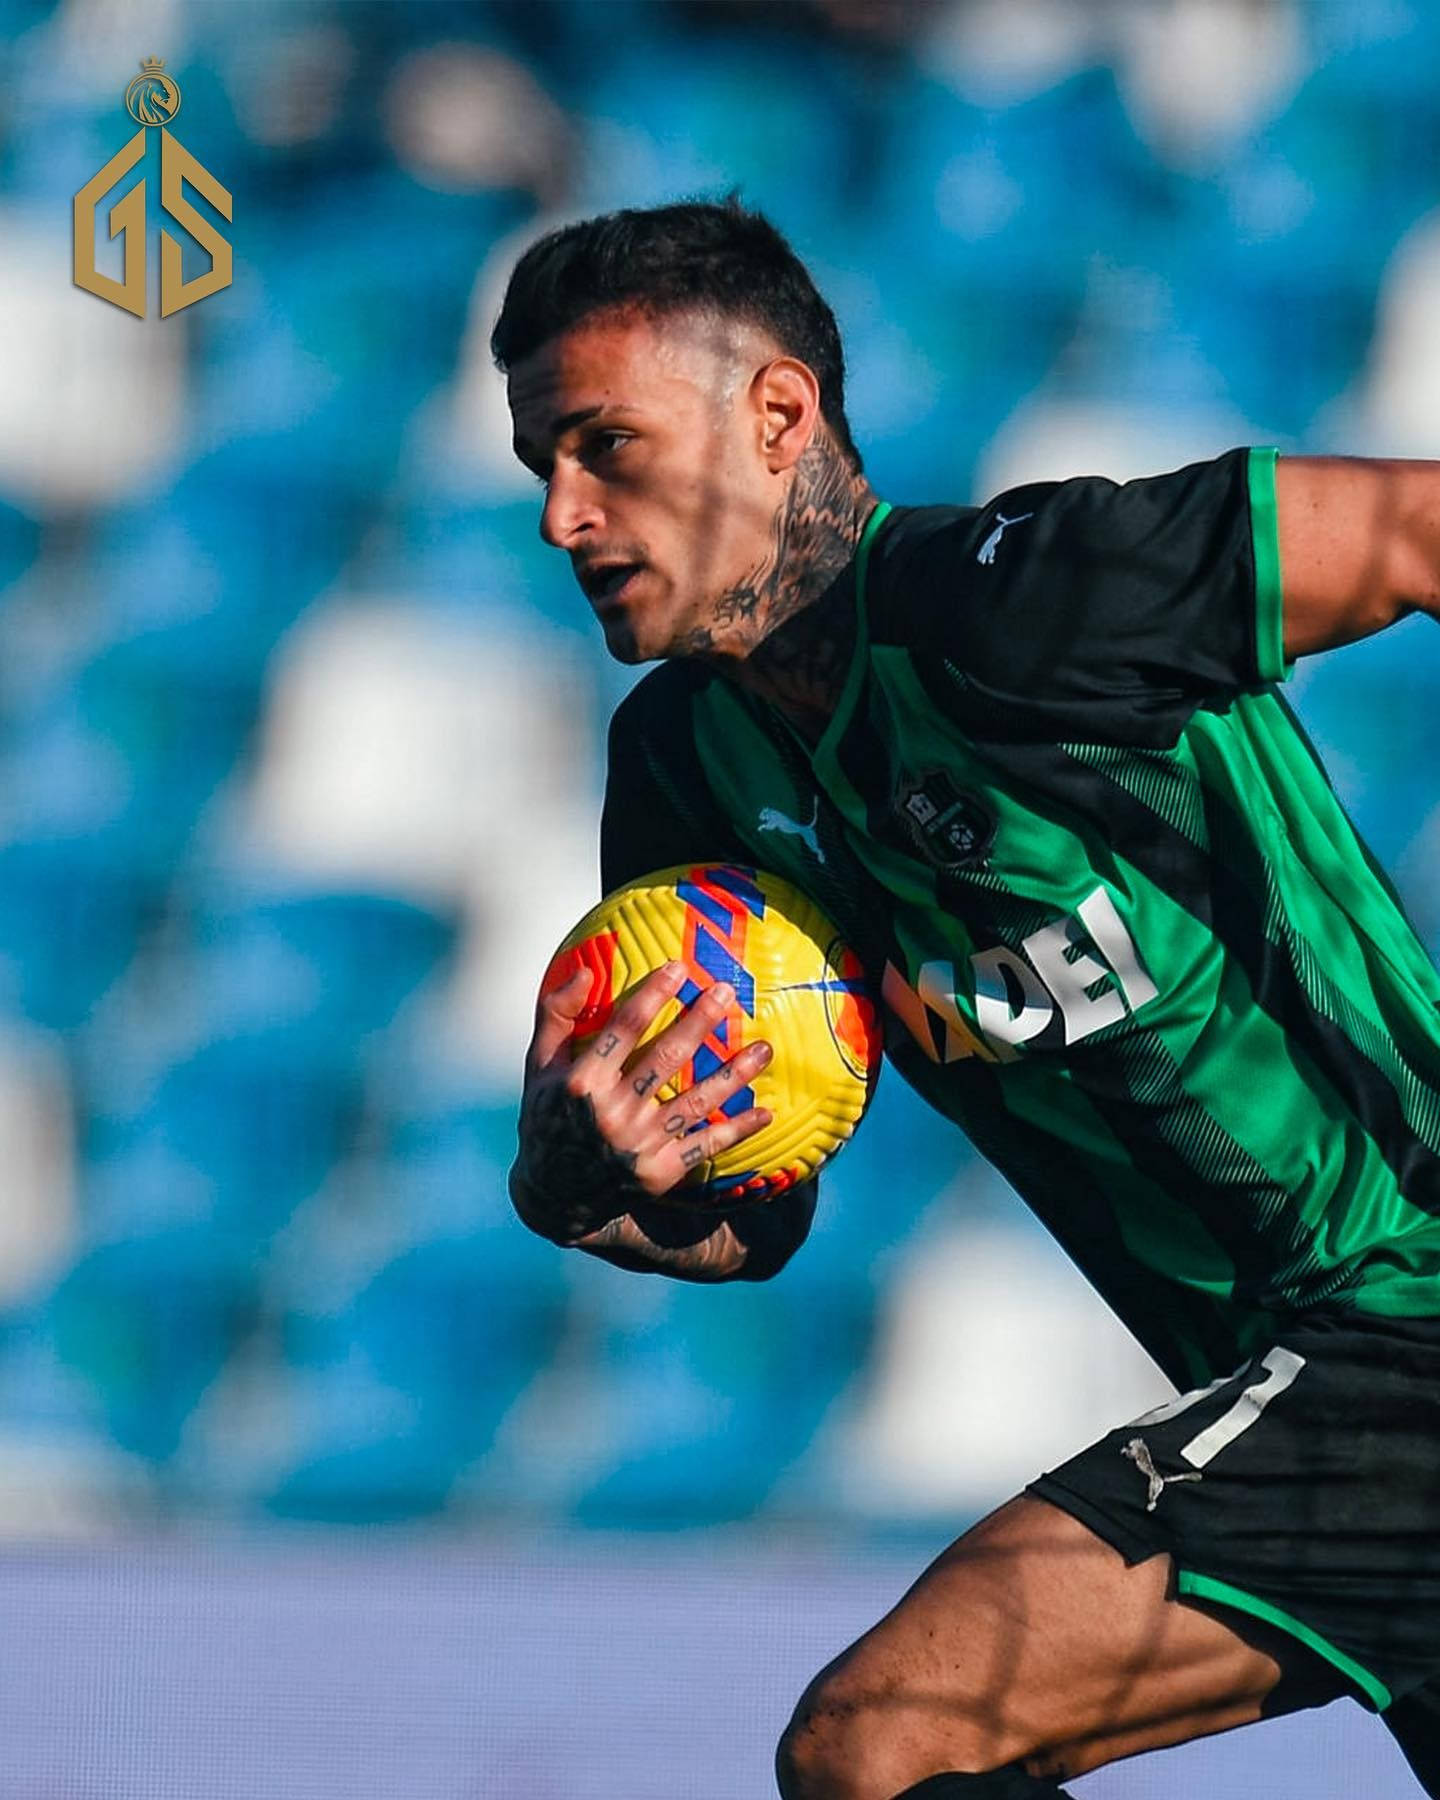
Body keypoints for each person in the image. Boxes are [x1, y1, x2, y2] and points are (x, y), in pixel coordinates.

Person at [496, 197, 1440, 1800]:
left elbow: (1417, 528)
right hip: (1291, 1382)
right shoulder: (684, 773)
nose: (561, 518)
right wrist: (588, 1184)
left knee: (886, 1745)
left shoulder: (1021, 602)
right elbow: (755, 1217)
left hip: (1409, 1310)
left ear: (775, 414)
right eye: (541, 470)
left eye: (602, 447)